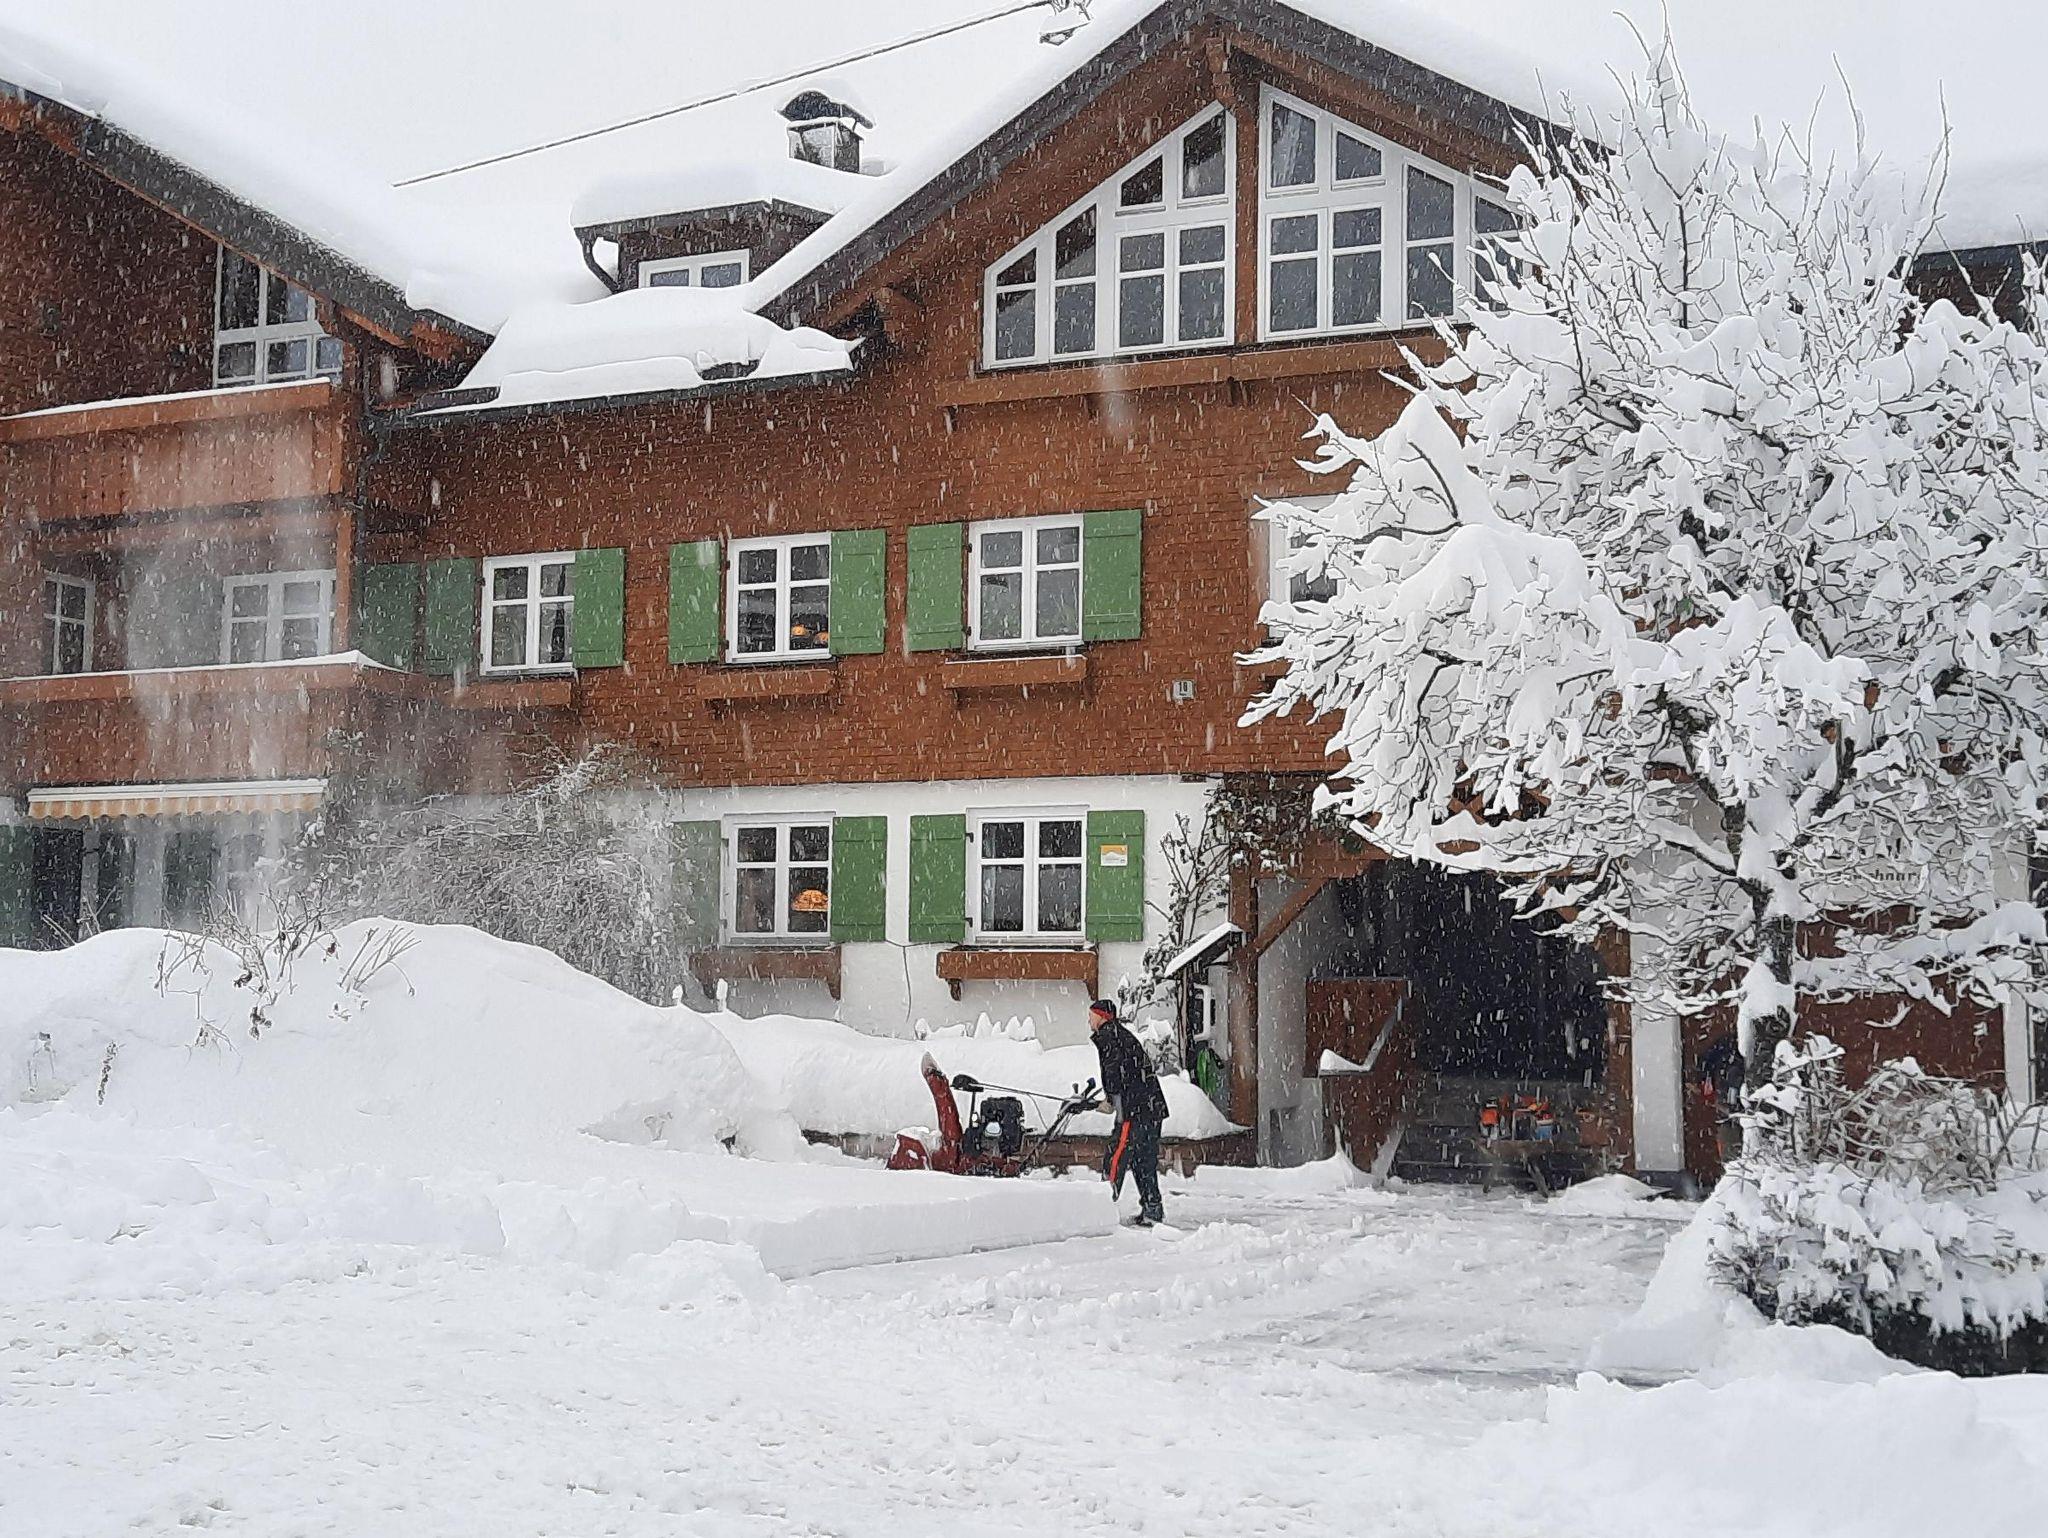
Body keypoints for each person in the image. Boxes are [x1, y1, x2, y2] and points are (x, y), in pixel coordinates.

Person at [1088, 998, 1168, 1226]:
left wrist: (1111, 1100)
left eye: (1091, 1016)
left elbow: (1114, 1073)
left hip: (1134, 1108)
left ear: (1101, 1017)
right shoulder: (1120, 1035)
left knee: (1117, 1155)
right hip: (1151, 1107)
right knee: (1144, 1160)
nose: (1089, 1020)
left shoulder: (1108, 1037)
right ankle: (1152, 1209)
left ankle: (1102, 1208)